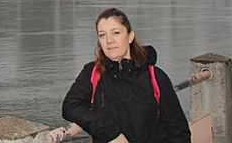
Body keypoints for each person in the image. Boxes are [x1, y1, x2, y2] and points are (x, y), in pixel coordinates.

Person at [50, 8, 191, 142]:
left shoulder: (156, 77)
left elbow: (178, 130)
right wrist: (111, 133)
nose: (109, 40)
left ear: (130, 37)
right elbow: (70, 107)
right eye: (102, 35)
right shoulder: (93, 73)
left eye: (116, 33)